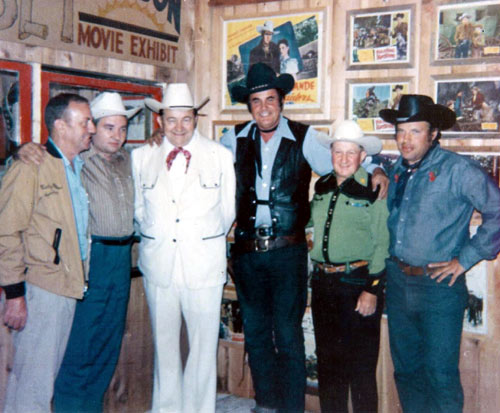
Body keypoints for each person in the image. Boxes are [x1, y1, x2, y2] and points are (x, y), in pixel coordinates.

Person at [221, 62, 388, 412]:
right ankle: (266, 405)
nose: (264, 107)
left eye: (270, 98)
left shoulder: (305, 137)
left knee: (288, 335)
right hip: (247, 255)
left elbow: (344, 164)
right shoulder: (232, 139)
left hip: (288, 254)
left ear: (281, 101)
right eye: (256, 101)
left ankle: (293, 408)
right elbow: (204, 165)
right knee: (256, 335)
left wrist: (376, 169)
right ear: (248, 105)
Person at [15, 92, 141, 412]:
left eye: (122, 128)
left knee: (106, 346)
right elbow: (38, 164)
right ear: (92, 130)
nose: (116, 135)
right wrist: (23, 148)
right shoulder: (76, 160)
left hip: (121, 259)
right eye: (105, 127)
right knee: (78, 346)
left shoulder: (130, 159)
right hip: (86, 259)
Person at [379, 94, 500, 413]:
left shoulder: (457, 169)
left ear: (433, 133)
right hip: (398, 283)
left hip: (438, 288)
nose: (405, 140)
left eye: (415, 131)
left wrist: (467, 258)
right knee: (406, 372)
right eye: (400, 131)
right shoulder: (396, 170)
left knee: (440, 374)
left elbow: (497, 210)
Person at [132, 83, 235, 413]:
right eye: (171, 119)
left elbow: (227, 212)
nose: (179, 127)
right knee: (165, 350)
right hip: (160, 265)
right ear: (160, 119)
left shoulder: (220, 156)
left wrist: (198, 238)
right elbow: (138, 210)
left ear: (196, 119)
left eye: (186, 119)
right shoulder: (141, 156)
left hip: (203, 266)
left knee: (204, 350)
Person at [0, 93, 95, 412]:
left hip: (63, 287)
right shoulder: (31, 167)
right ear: (60, 126)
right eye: (85, 122)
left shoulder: (74, 166)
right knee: (34, 384)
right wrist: (14, 294)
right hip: (41, 290)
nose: (92, 129)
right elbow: (5, 231)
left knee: (36, 382)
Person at [309, 120, 389, 413]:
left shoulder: (373, 189)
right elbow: (314, 223)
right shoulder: (322, 185)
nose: (343, 159)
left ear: (363, 156)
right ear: (330, 153)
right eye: (338, 151)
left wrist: (372, 289)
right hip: (323, 284)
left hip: (357, 284)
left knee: (361, 369)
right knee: (329, 366)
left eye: (350, 153)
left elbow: (382, 243)